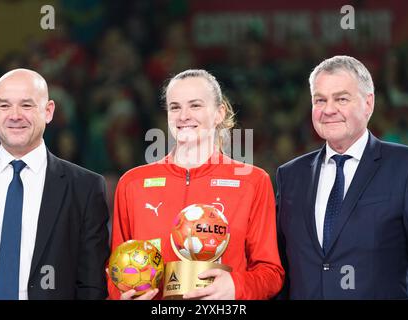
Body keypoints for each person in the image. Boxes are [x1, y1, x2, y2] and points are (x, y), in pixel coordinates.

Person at [108, 69, 284, 300]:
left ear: (219, 113)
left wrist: (236, 287)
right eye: (175, 107)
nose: (184, 116)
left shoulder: (253, 182)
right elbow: (115, 273)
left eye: (195, 105)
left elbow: (271, 273)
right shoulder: (132, 184)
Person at [276, 55, 408, 299]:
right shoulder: (290, 175)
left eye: (341, 99)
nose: (329, 109)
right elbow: (281, 269)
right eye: (320, 100)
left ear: (368, 104)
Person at [0, 69, 110, 299]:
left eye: (26, 105)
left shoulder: (86, 187)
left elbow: (91, 284)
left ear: (48, 111)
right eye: (5, 106)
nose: (14, 115)